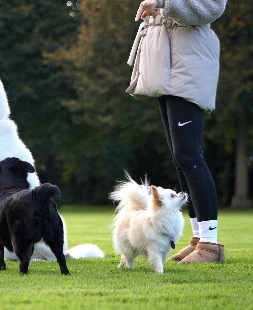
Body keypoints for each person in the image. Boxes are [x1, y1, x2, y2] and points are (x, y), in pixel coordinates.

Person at [128, 0, 227, 263]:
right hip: (168, 64)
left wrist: (163, 3)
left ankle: (210, 245)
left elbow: (213, 7)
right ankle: (198, 239)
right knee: (181, 157)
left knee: (189, 154)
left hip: (188, 63)